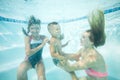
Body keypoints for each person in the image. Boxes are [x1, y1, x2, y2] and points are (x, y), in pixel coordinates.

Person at [62, 9, 108, 80]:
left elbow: (69, 68)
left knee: (71, 72)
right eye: (81, 36)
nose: (80, 39)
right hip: (90, 78)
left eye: (83, 37)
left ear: (91, 42)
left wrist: (60, 62)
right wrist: (62, 54)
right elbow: (75, 57)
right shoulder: (83, 50)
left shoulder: (92, 58)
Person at [17, 16, 49, 80]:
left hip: (39, 60)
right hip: (29, 60)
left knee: (42, 78)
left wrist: (56, 39)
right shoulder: (28, 38)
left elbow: (52, 42)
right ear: (29, 29)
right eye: (32, 28)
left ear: (40, 28)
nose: (35, 30)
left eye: (37, 28)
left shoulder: (42, 37)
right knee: (20, 70)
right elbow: (28, 53)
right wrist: (42, 45)